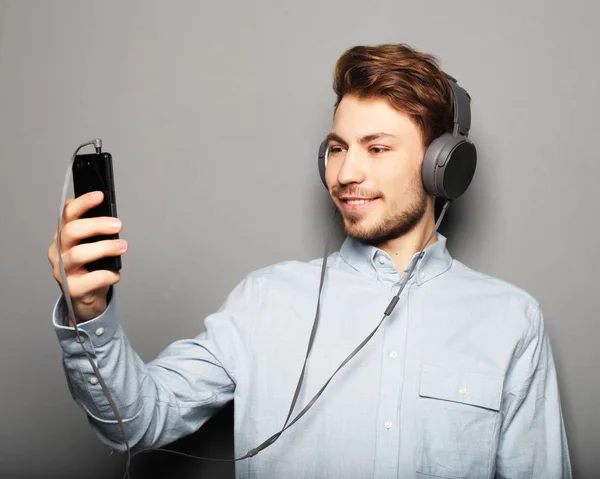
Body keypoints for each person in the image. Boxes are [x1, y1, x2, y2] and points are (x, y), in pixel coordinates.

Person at [47, 43, 572, 478]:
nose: (345, 173)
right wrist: (90, 312)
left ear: (443, 166)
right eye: (338, 148)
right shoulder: (264, 300)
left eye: (377, 148)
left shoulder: (511, 321)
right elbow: (134, 421)